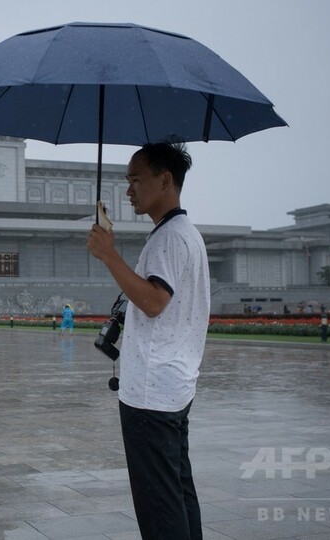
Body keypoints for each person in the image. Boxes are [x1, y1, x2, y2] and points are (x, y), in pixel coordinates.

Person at [87, 141, 210, 539]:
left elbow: (154, 301)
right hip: (173, 384)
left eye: (136, 180)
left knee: (158, 502)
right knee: (176, 488)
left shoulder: (168, 238)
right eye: (126, 181)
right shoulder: (183, 233)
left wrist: (109, 256)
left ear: (166, 180)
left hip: (150, 391)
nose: (128, 191)